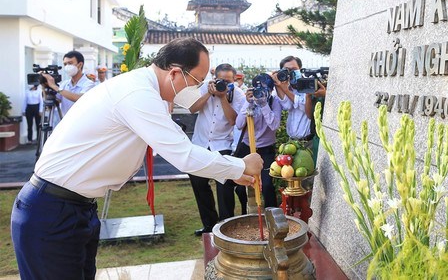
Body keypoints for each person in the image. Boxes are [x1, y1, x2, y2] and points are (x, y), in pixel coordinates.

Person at [11, 38, 262, 280]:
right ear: (174, 74)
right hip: (52, 209)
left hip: (75, 207)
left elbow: (179, 142)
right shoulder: (137, 93)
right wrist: (240, 164)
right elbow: (183, 155)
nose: (197, 89)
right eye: (196, 81)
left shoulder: (146, 91)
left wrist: (232, 172)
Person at [186, 63, 247, 235]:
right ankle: (209, 225)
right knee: (199, 185)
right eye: (220, 80)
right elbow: (192, 109)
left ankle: (226, 227)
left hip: (223, 144)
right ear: (214, 77)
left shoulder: (238, 95)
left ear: (234, 80)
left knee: (224, 188)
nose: (224, 84)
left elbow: (233, 121)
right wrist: (209, 94)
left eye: (228, 81)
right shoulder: (204, 87)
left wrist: (222, 97)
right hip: (200, 143)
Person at [235, 73, 283, 208]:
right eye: (258, 89)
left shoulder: (275, 102)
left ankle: (271, 214)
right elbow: (239, 125)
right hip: (247, 146)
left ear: (271, 90)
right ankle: (245, 213)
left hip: (266, 148)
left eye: (264, 89)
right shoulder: (249, 101)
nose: (261, 93)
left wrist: (264, 105)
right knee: (240, 186)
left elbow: (274, 125)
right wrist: (248, 103)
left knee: (267, 185)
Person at [41, 51, 95, 125]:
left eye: (70, 63)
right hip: (65, 125)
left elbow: (79, 98)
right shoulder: (64, 84)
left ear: (80, 65)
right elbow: (54, 103)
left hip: (82, 125)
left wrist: (54, 86)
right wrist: (45, 87)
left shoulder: (89, 84)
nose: (67, 66)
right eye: (65, 64)